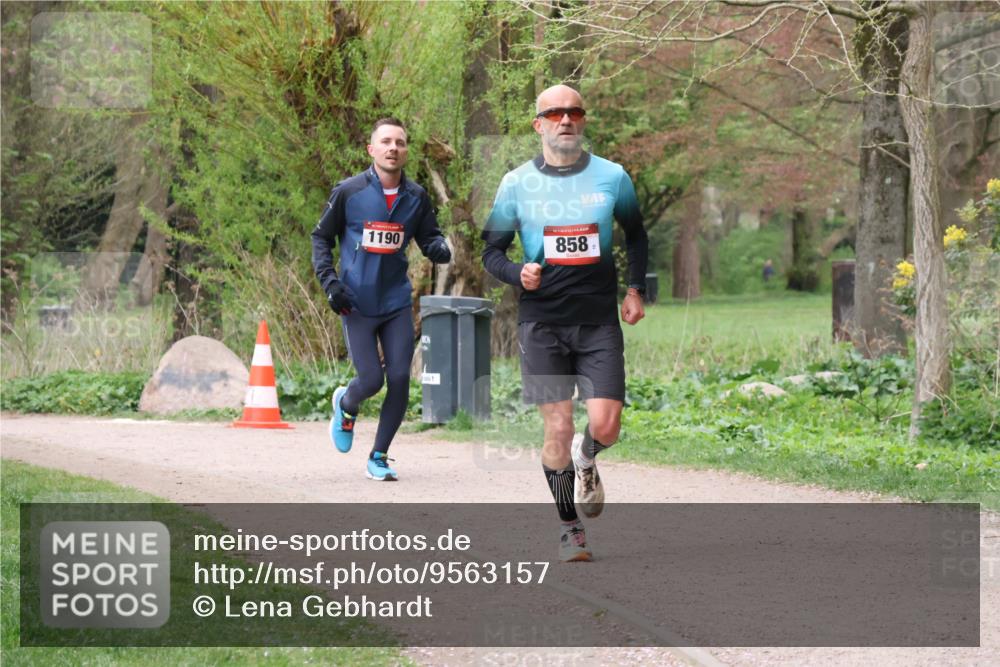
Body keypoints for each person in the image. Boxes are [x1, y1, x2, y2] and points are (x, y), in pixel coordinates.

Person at [481, 85, 648, 561]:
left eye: (574, 112)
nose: (565, 120)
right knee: (556, 427)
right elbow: (490, 251)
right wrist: (518, 273)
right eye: (555, 113)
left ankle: (588, 456)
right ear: (539, 125)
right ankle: (569, 528)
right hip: (543, 324)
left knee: (606, 425)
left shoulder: (612, 176)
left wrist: (635, 290)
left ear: (584, 120)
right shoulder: (516, 183)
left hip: (597, 322)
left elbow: (636, 236)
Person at [311, 117, 451, 481]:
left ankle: (379, 456)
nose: (394, 148)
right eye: (386, 142)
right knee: (371, 380)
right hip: (354, 302)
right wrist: (330, 283)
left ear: (406, 151)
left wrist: (439, 248)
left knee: (401, 377)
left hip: (396, 303)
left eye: (400, 143)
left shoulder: (416, 196)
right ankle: (345, 404)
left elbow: (429, 236)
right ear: (371, 149)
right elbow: (320, 239)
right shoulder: (348, 192)